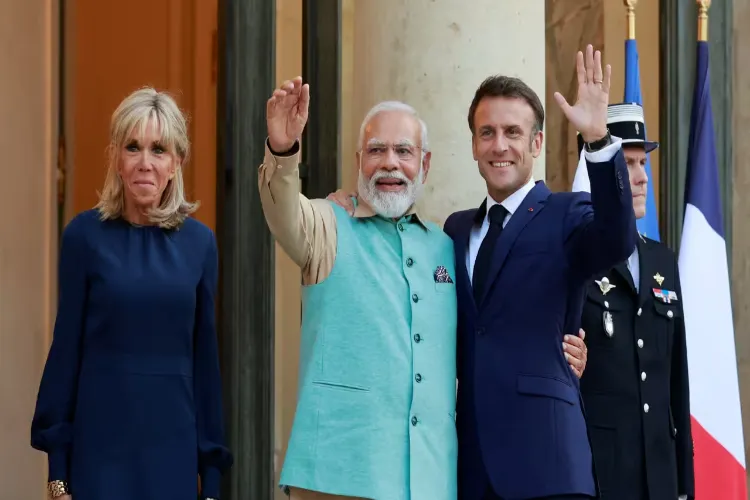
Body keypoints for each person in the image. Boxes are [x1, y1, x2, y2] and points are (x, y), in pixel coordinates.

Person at [262, 78, 588, 500]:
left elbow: (492, 321)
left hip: (429, 479)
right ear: (359, 160)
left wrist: (562, 353)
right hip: (338, 473)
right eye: (376, 150)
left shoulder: (446, 243)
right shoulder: (326, 224)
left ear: (426, 164)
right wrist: (283, 153)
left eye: (404, 152)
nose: (390, 163)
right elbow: (284, 212)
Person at [442, 45, 636, 500]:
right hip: (470, 467)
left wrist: (598, 142)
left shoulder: (567, 214)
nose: (499, 145)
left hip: (547, 462)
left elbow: (616, 238)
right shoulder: (453, 230)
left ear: (537, 143)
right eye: (486, 132)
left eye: (513, 132)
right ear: (473, 144)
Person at [30, 87, 232, 500]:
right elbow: (65, 353)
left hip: (171, 455)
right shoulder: (83, 237)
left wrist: (210, 482)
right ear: (116, 160)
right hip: (99, 456)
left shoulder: (200, 244)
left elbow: (206, 363)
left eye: (159, 149)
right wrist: (58, 476)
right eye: (133, 147)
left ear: (176, 163)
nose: (145, 163)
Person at [574, 103, 694, 500]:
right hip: (599, 477)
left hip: (659, 478)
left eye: (643, 163)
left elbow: (677, 382)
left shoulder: (663, 259)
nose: (642, 178)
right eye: (628, 164)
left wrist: (683, 486)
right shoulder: (574, 256)